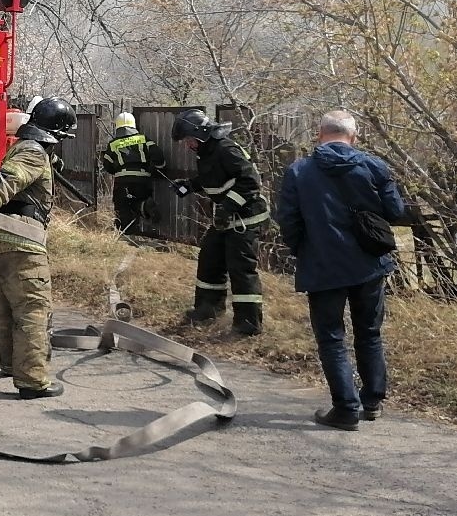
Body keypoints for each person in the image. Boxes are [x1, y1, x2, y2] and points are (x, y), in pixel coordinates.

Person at [275, 110, 406, 432]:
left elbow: (287, 220)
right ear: (354, 137)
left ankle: (346, 408)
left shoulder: (299, 171)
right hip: (368, 263)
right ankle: (372, 402)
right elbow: (396, 211)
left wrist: (301, 250)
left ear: (319, 135)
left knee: (332, 338)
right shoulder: (374, 166)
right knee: (369, 333)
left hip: (322, 266)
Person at [0, 96, 78, 399]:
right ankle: (32, 381)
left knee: (6, 309)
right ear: (56, 133)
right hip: (24, 244)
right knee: (32, 311)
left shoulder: (27, 148)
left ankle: (10, 365)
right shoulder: (32, 153)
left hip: (1, 241)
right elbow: (7, 180)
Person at [172, 108, 267, 335]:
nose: (188, 145)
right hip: (226, 219)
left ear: (201, 134)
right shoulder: (207, 152)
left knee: (241, 269)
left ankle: (248, 325)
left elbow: (251, 182)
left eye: (189, 140)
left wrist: (228, 206)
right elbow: (212, 178)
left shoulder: (226, 149)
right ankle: (208, 311)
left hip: (246, 217)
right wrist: (188, 186)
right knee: (209, 259)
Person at [100, 111, 166, 236]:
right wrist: (158, 168)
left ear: (117, 126)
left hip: (122, 180)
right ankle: (145, 205)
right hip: (143, 179)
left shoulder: (113, 144)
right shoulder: (143, 139)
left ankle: (126, 235)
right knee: (138, 201)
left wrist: (116, 170)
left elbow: (107, 166)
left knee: (122, 207)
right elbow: (158, 156)